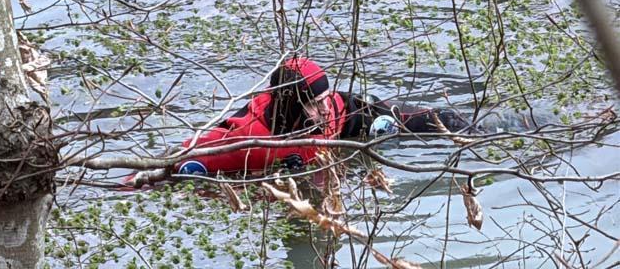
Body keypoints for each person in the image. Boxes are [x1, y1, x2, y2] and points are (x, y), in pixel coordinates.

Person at [166, 57, 469, 177]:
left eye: (325, 99)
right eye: (314, 104)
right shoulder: (247, 140)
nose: (324, 110)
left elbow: (338, 106)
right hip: (289, 172)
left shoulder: (334, 108)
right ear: (293, 106)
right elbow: (178, 161)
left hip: (351, 123)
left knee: (445, 121)